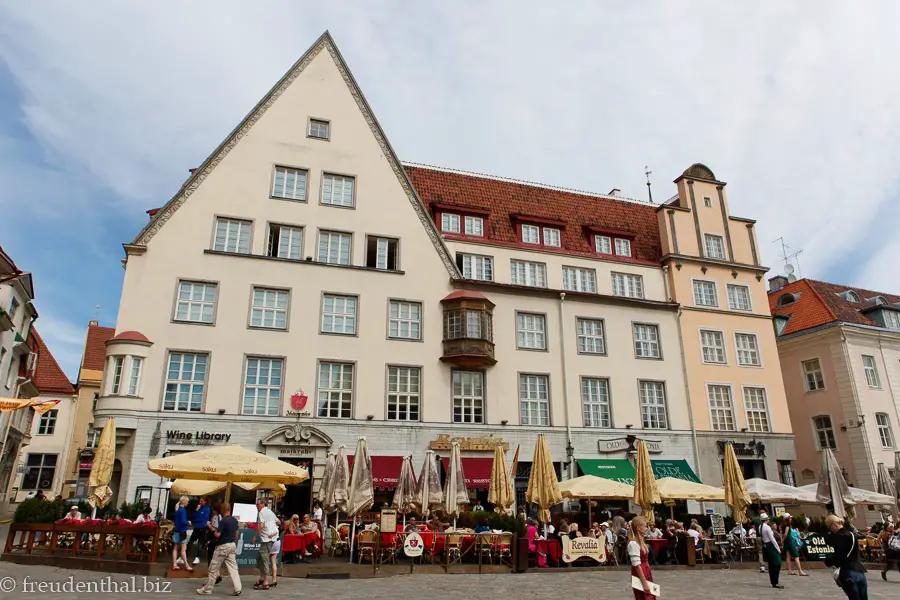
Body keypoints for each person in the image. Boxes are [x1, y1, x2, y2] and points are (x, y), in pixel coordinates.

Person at [196, 502, 240, 596]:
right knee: (233, 568)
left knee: (213, 568)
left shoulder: (223, 521)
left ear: (223, 510)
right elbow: (236, 535)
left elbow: (217, 534)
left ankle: (208, 589)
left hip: (223, 546)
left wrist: (211, 528)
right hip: (232, 545)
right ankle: (237, 588)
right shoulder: (235, 520)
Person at [824, 514, 867, 600]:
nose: (830, 530)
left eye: (829, 527)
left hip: (848, 572)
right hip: (860, 571)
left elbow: (839, 555)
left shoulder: (837, 537)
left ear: (834, 524)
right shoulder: (852, 534)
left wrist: (828, 561)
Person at [252, 499, 279, 590]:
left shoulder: (262, 512)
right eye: (256, 504)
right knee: (259, 558)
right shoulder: (270, 511)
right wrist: (274, 530)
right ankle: (262, 578)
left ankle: (265, 582)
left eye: (258, 504)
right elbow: (278, 522)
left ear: (263, 504)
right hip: (271, 538)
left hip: (267, 539)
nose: (257, 506)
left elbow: (262, 525)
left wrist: (255, 536)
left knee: (264, 559)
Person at [627, 516, 655, 599]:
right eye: (645, 526)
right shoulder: (633, 543)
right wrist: (644, 583)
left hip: (646, 570)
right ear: (638, 528)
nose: (647, 528)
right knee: (643, 597)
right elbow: (637, 566)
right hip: (640, 573)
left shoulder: (641, 541)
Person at [759, 513, 783, 589]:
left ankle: (773, 582)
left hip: (766, 545)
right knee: (777, 563)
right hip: (770, 545)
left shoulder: (760, 527)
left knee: (771, 565)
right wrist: (778, 549)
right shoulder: (767, 527)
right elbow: (772, 539)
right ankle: (775, 581)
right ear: (767, 519)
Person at [172, 496, 192, 572]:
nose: (188, 503)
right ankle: (186, 565)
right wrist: (188, 523)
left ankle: (174, 564)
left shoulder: (177, 510)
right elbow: (183, 521)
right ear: (184, 502)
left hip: (177, 530)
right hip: (182, 531)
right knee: (183, 549)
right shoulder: (183, 510)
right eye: (187, 501)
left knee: (175, 548)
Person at [188, 496, 210, 565]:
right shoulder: (199, 508)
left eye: (202, 501)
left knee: (200, 543)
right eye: (200, 501)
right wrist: (197, 510)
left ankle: (198, 557)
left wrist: (197, 518)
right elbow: (194, 516)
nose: (200, 502)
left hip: (202, 527)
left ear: (205, 502)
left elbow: (204, 519)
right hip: (196, 527)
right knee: (191, 541)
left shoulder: (207, 509)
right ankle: (184, 555)